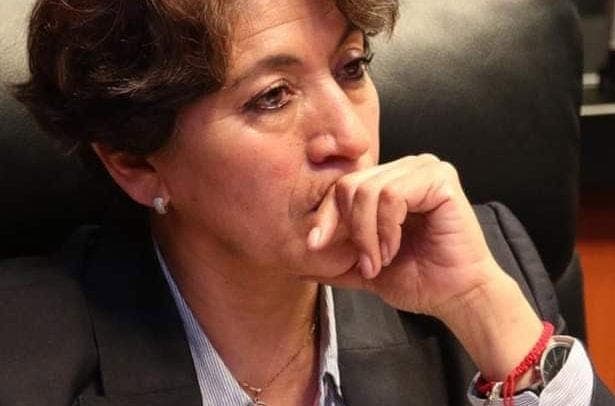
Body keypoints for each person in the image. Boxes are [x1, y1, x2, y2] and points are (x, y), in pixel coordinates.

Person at [1, 0, 613, 405]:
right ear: (135, 162)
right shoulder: (23, 354)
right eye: (272, 96)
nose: (350, 137)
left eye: (352, 67)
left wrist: (483, 310)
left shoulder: (478, 263)